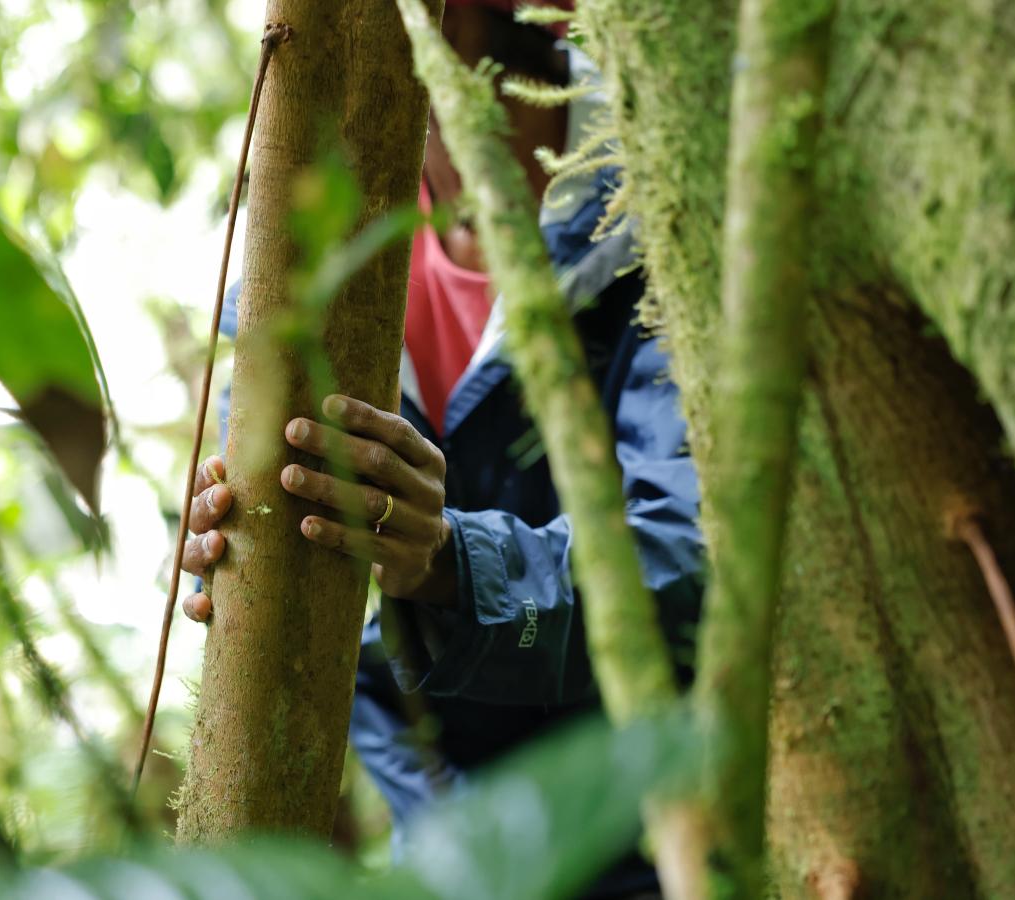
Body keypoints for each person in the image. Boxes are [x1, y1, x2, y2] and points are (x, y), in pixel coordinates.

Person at [180, 2, 704, 896]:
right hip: (455, 852)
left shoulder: (651, 188)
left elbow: (697, 557)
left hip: (670, 829)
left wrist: (453, 563)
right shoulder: (312, 244)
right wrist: (231, 556)